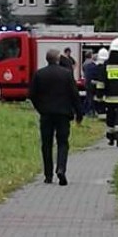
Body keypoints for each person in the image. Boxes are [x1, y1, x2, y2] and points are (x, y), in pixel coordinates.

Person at [28, 49, 83, 185]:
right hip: (63, 114)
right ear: (58, 59)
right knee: (63, 142)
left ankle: (48, 175)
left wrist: (40, 108)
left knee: (46, 144)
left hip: (46, 114)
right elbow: (74, 95)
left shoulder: (39, 74)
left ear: (47, 59)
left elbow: (32, 94)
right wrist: (79, 113)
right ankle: (61, 169)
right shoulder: (66, 74)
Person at [93, 47, 109, 120]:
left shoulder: (96, 67)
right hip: (107, 90)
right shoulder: (108, 67)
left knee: (100, 103)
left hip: (98, 90)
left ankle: (101, 115)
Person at [81, 51, 98, 116]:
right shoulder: (89, 63)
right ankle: (87, 111)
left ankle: (85, 110)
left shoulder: (85, 63)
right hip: (89, 82)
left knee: (88, 97)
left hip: (87, 82)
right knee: (89, 98)